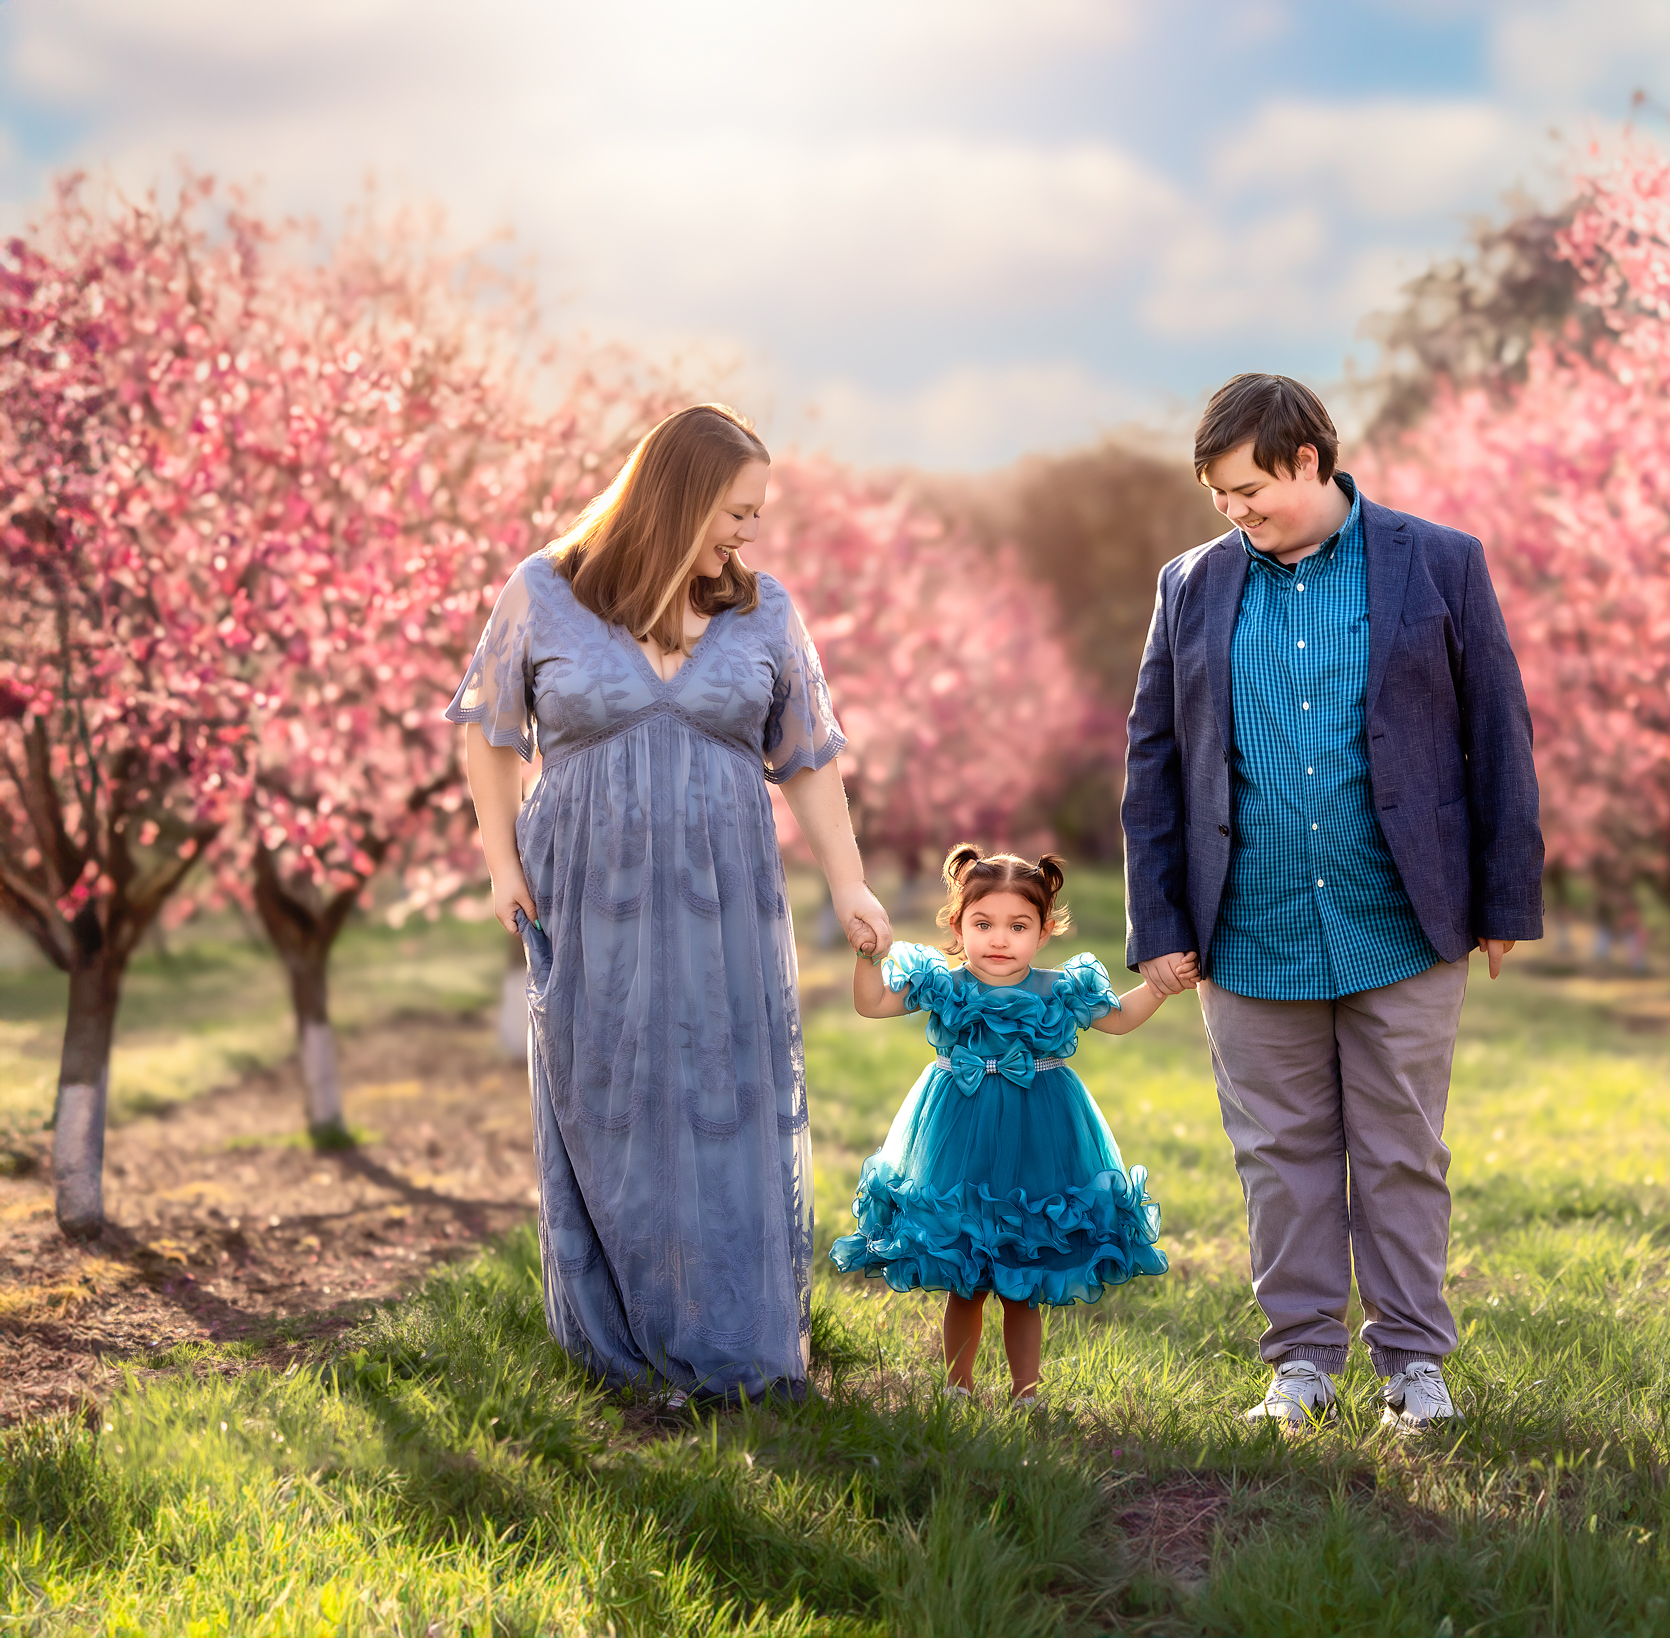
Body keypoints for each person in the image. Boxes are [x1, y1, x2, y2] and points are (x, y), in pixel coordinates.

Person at [1122, 374, 1543, 1432]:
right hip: (1247, 923)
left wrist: (1503, 896)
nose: (1234, 512)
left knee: (1401, 1150)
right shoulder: (1190, 584)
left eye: (1248, 488)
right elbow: (1153, 759)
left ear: (1307, 460)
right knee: (1278, 1155)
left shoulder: (1437, 563)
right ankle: (1298, 1366)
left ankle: (1412, 1366)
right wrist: (1160, 923)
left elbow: (1496, 732)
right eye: (1218, 496)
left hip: (1399, 918)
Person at [449, 403, 892, 1404]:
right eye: (735, 511)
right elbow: (486, 730)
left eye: (757, 516)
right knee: (604, 1095)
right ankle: (621, 1341)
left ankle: (729, 1331)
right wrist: (497, 860)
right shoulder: (543, 591)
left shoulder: (762, 610)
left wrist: (849, 880)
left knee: (722, 1092)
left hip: (723, 895)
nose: (748, 534)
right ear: (680, 496)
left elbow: (809, 760)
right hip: (584, 887)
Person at [830, 846, 1185, 1405]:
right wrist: (866, 956)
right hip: (958, 1132)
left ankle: (1027, 1390)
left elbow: (1118, 1020)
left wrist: (1159, 987)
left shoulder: (1059, 990)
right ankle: (958, 1386)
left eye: (1018, 926)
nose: (999, 939)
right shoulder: (943, 985)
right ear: (957, 925)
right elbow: (871, 1005)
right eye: (983, 924)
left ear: (1043, 932)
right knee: (966, 1276)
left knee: (1024, 1276)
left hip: (1039, 1130)